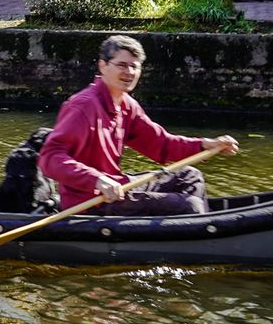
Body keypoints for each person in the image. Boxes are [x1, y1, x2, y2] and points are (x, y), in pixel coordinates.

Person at [38, 33, 238, 215]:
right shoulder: (83, 106)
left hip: (117, 187)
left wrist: (204, 145)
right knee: (189, 205)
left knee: (190, 176)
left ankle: (195, 229)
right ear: (102, 65)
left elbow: (161, 145)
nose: (129, 72)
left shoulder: (127, 105)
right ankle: (196, 226)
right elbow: (50, 157)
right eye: (122, 65)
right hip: (90, 201)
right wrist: (96, 180)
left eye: (134, 67)